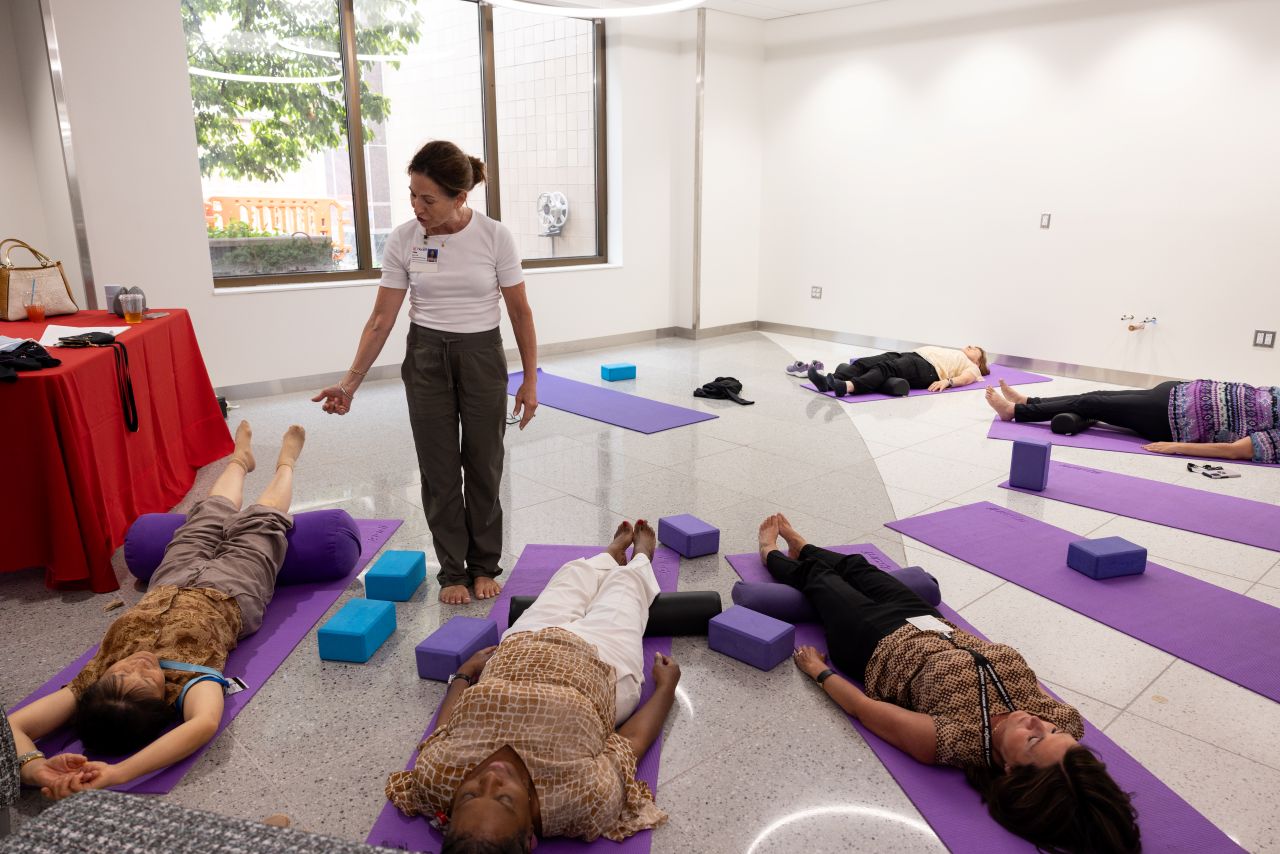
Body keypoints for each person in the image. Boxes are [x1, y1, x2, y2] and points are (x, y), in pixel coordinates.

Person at [757, 513, 1141, 853]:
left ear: (1009, 770)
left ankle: (769, 552)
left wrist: (818, 672)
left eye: (1034, 739)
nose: (1036, 720)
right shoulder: (1066, 721)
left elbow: (865, 709)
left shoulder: (958, 740)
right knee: (859, 567)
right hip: (932, 624)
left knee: (820, 579)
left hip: (872, 642)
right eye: (1055, 730)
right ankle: (802, 544)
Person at [8, 422, 305, 800]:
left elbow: (12, 726)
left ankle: (239, 460)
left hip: (169, 582)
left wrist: (35, 769)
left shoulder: (92, 683)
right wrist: (118, 774)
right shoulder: (189, 689)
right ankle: (287, 464)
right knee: (262, 523)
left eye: (122, 670)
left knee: (205, 517)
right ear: (161, 701)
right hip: (232, 593)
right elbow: (202, 725)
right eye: (147, 678)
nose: (140, 663)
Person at [313, 140, 540, 606]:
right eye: (412, 195)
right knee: (439, 470)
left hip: (482, 356)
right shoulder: (403, 239)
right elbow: (381, 320)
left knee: (484, 465)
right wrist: (350, 383)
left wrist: (531, 381)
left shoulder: (495, 236)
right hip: (426, 357)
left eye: (427, 199)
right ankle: (452, 571)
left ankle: (484, 566)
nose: (417, 207)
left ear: (460, 198)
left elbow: (520, 313)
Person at [385, 520, 680, 851]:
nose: (493, 777)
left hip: (521, 648)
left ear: (449, 813)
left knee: (569, 577)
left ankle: (609, 555)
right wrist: (667, 688)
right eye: (505, 800)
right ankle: (640, 557)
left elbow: (443, 732)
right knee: (625, 591)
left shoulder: (436, 780)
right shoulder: (580, 800)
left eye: (470, 794)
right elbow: (631, 742)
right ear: (529, 838)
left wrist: (465, 675)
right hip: (602, 667)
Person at [985, 377, 1280, 463]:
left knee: (1092, 403)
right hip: (1176, 394)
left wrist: (1175, 447)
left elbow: (1236, 450)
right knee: (1097, 395)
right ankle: (1030, 403)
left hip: (1174, 418)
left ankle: (1015, 412)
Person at [808, 345, 989, 397]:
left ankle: (846, 386)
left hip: (928, 369)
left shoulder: (973, 367)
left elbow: (965, 379)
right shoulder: (958, 353)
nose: (968, 346)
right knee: (866, 362)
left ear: (979, 359)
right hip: (913, 355)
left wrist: (947, 382)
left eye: (974, 348)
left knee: (886, 369)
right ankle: (829, 381)